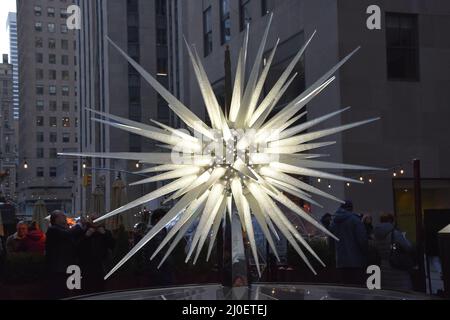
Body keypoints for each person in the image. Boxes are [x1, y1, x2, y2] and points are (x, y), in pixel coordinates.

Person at [46, 211, 85, 299]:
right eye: (63, 216)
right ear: (56, 219)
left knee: (72, 291)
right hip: (59, 269)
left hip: (69, 267)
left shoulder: (64, 230)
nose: (65, 217)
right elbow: (68, 234)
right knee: (61, 292)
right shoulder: (53, 229)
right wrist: (79, 225)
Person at [330, 201, 368, 286]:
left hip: (340, 262)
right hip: (356, 261)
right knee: (357, 289)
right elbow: (362, 240)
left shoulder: (333, 222)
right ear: (351, 208)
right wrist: (366, 254)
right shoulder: (355, 220)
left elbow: (331, 242)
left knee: (346, 289)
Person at [373, 213, 413, 291]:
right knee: (401, 291)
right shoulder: (395, 234)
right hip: (397, 266)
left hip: (384, 266)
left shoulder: (376, 234)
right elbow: (408, 247)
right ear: (391, 221)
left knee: (389, 292)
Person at [76, 214, 115, 294]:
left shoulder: (106, 232)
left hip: (101, 265)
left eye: (97, 219)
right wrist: (86, 236)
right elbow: (77, 247)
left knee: (101, 288)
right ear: (89, 221)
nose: (95, 221)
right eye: (93, 219)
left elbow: (112, 245)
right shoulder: (83, 231)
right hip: (86, 266)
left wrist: (104, 234)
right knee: (86, 288)